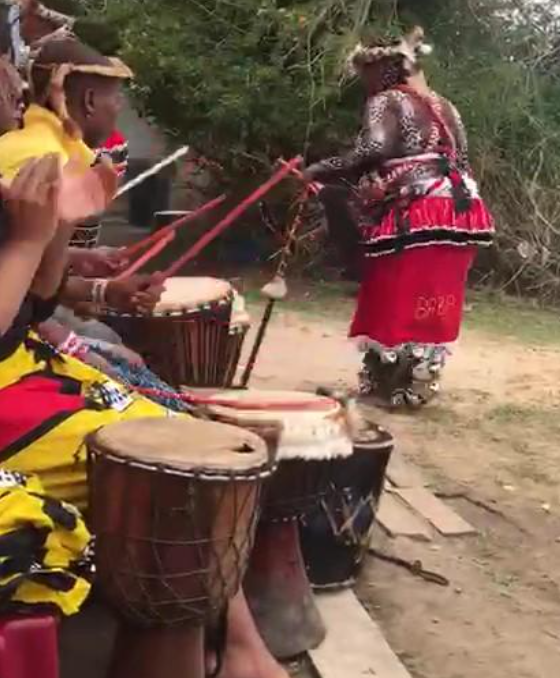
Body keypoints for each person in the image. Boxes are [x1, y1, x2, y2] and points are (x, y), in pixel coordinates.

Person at [0, 37, 289, 678]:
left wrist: (54, 231)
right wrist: (32, 236)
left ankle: (234, 642)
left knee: (174, 437)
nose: (12, 85)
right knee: (164, 469)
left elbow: (38, 304)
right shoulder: (26, 150)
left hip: (20, 367)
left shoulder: (31, 156)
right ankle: (220, 646)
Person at [305, 27, 494, 409]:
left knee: (393, 291)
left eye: (366, 73)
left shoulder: (385, 100)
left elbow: (373, 147)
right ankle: (413, 382)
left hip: (416, 211)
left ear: (382, 70)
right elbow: (460, 162)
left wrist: (318, 169)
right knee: (436, 294)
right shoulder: (444, 105)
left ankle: (388, 381)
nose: (364, 82)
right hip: (460, 211)